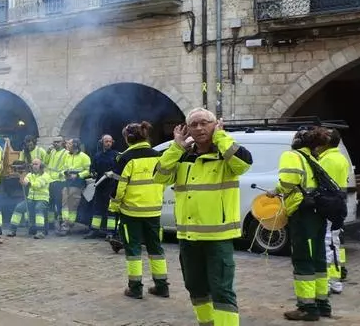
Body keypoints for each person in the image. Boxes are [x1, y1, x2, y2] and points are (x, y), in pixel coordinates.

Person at [155, 108, 251, 326]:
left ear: (215, 124)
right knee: (195, 286)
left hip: (218, 238)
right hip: (188, 237)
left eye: (205, 123)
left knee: (222, 290)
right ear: (187, 129)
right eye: (194, 124)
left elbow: (243, 164)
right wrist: (176, 147)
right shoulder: (182, 156)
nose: (199, 128)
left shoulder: (226, 155)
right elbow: (160, 177)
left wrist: (220, 136)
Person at [267, 128, 330, 321]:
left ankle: (307, 308)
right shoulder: (313, 158)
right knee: (318, 257)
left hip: (303, 213)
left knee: (303, 259)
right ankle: (322, 304)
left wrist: (275, 190)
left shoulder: (292, 156)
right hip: (318, 212)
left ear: (297, 141)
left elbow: (288, 181)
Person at [109, 122, 167, 299]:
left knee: (133, 250)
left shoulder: (125, 158)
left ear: (127, 138)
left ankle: (135, 288)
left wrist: (114, 206)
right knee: (156, 249)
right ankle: (162, 286)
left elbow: (118, 187)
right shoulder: (158, 156)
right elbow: (164, 181)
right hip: (154, 211)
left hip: (131, 212)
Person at [315, 127, 349, 296]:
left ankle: (331, 282)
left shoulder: (327, 160)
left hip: (329, 206)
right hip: (337, 205)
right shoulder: (339, 157)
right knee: (334, 242)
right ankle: (334, 280)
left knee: (329, 243)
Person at [6, 158, 51, 239]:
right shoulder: (30, 175)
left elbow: (37, 185)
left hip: (42, 199)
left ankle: (40, 232)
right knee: (19, 208)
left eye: (36, 164)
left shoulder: (46, 176)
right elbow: (24, 181)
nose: (34, 166)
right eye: (33, 164)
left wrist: (28, 183)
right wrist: (22, 177)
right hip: (31, 199)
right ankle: (12, 230)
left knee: (38, 209)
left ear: (41, 165)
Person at [86, 134, 120, 239]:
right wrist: (93, 173)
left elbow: (120, 170)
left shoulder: (116, 155)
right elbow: (93, 168)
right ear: (102, 142)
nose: (108, 143)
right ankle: (94, 230)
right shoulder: (97, 155)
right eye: (106, 141)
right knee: (97, 208)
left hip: (111, 186)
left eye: (110, 141)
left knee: (110, 210)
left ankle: (110, 232)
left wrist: (113, 173)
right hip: (100, 185)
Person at [59, 138, 90, 235]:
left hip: (77, 184)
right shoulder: (66, 156)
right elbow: (62, 168)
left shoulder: (84, 157)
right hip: (66, 182)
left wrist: (78, 175)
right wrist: (63, 173)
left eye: (69, 144)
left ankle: (70, 223)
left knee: (73, 205)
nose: (67, 145)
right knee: (64, 203)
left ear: (75, 145)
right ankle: (65, 223)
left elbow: (88, 170)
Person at [44, 136, 67, 231]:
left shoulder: (66, 153)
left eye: (58, 142)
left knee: (59, 203)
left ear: (62, 143)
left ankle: (61, 223)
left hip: (59, 182)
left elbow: (67, 166)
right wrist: (48, 153)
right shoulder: (52, 151)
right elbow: (45, 162)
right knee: (50, 203)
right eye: (54, 142)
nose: (55, 144)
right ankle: (50, 223)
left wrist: (61, 174)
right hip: (50, 180)